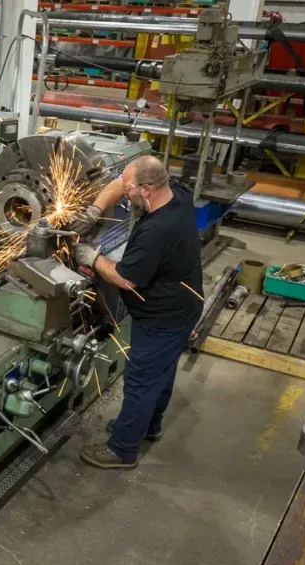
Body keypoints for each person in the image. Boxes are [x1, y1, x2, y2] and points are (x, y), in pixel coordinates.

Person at [71, 155, 204, 469]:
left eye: (131, 190)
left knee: (141, 379)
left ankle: (123, 449)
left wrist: (92, 257)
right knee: (161, 370)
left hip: (163, 316)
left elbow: (125, 279)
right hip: (183, 307)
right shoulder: (178, 196)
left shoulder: (158, 230)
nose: (125, 194)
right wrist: (94, 210)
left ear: (146, 189)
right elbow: (120, 183)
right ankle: (148, 425)